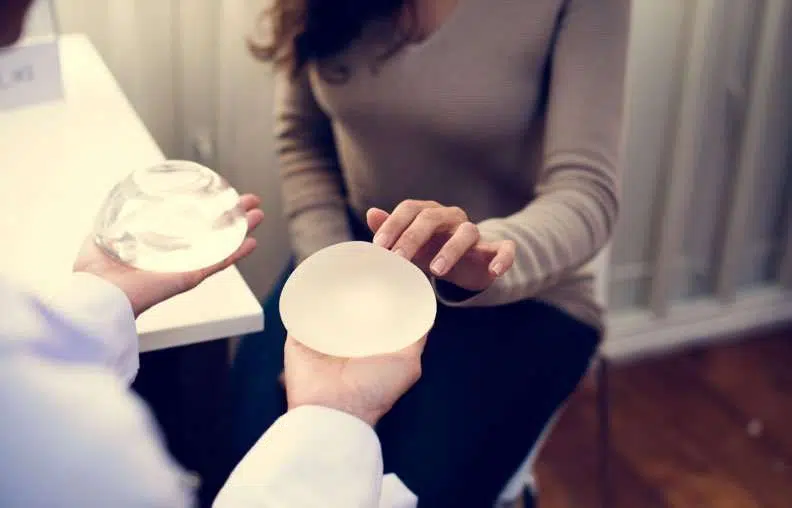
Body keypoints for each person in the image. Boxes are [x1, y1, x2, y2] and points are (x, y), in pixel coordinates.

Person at [1, 2, 425, 507]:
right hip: (339, 265)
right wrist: (335, 415)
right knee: (239, 421)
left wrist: (101, 294)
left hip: (452, 289)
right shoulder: (80, 448)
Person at [231, 0, 630, 505]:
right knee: (247, 457)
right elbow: (302, 140)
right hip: (359, 264)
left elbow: (587, 191)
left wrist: (487, 255)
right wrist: (332, 286)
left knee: (404, 490)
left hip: (517, 295)